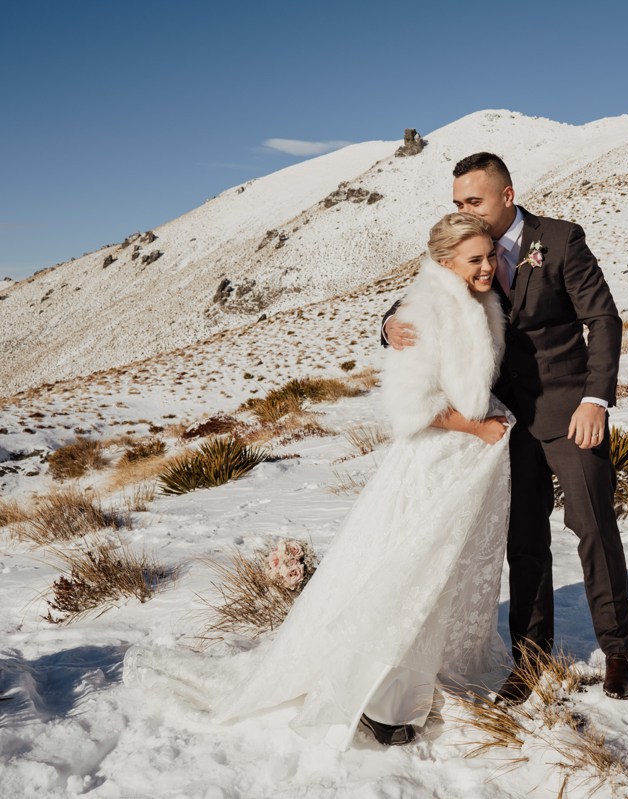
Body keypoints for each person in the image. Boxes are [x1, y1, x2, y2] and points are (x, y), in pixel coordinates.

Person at [217, 212, 515, 748]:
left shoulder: (479, 300)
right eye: (476, 259)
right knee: (409, 570)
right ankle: (384, 701)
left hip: (468, 459)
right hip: (434, 461)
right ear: (444, 262)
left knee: (447, 571)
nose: (489, 266)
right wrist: (478, 426)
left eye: (491, 255)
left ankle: (426, 674)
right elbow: (413, 406)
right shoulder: (426, 310)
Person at [382, 152, 628, 705]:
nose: (464, 210)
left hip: (573, 414)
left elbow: (603, 319)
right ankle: (530, 658)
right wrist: (388, 323)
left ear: (507, 195)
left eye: (473, 200)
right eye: (457, 203)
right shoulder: (469, 252)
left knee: (593, 527)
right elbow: (423, 292)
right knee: (523, 544)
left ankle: (617, 650)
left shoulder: (562, 240)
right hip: (505, 423)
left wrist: (596, 399)